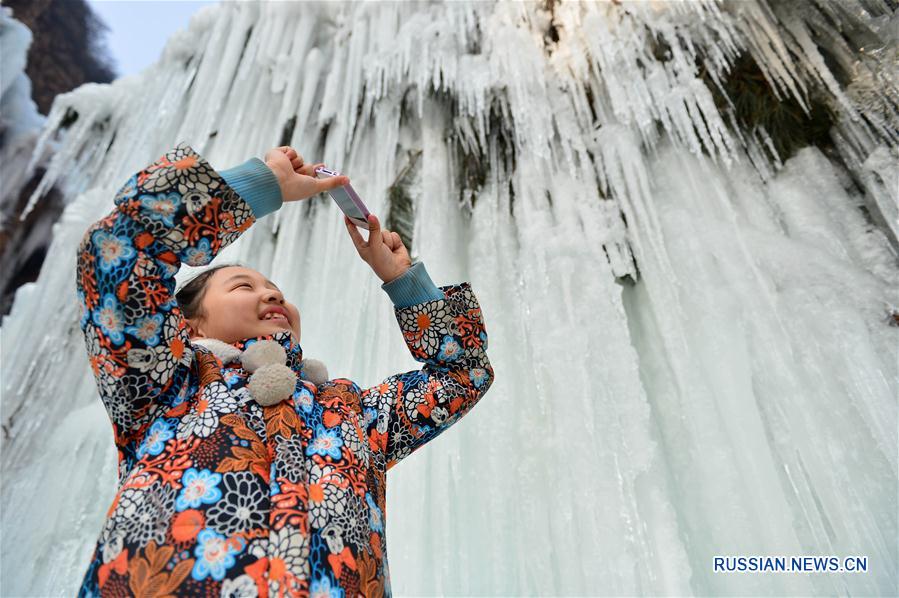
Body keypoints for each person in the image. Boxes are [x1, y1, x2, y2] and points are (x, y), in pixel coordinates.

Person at [74, 143, 495, 597]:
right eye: (243, 286)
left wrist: (406, 282)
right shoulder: (166, 385)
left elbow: (463, 372)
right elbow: (115, 252)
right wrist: (257, 186)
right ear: (187, 324)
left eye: (278, 291)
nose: (273, 296)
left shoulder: (353, 414)